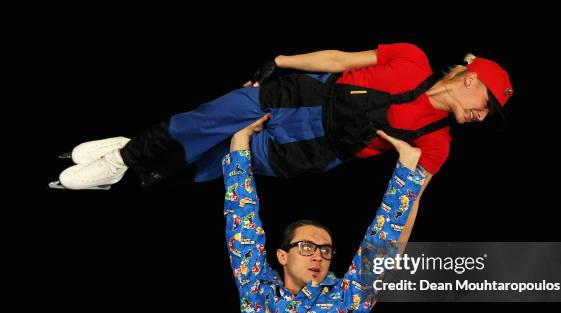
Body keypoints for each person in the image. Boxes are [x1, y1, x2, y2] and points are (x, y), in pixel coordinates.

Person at [55, 43, 512, 238]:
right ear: (472, 80)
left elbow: (410, 203)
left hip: (306, 150)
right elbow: (338, 59)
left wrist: (385, 260)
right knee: (200, 122)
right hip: (298, 98)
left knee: (204, 166)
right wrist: (278, 60)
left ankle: (127, 158)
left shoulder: (437, 143)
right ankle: (122, 157)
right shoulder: (412, 59)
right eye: (487, 104)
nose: (481, 116)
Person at [224, 113, 424, 313]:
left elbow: (383, 239)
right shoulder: (257, 293)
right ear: (282, 254)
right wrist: (240, 140)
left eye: (325, 250)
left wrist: (406, 165)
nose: (317, 255)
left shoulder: (350, 299)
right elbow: (242, 221)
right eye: (306, 246)